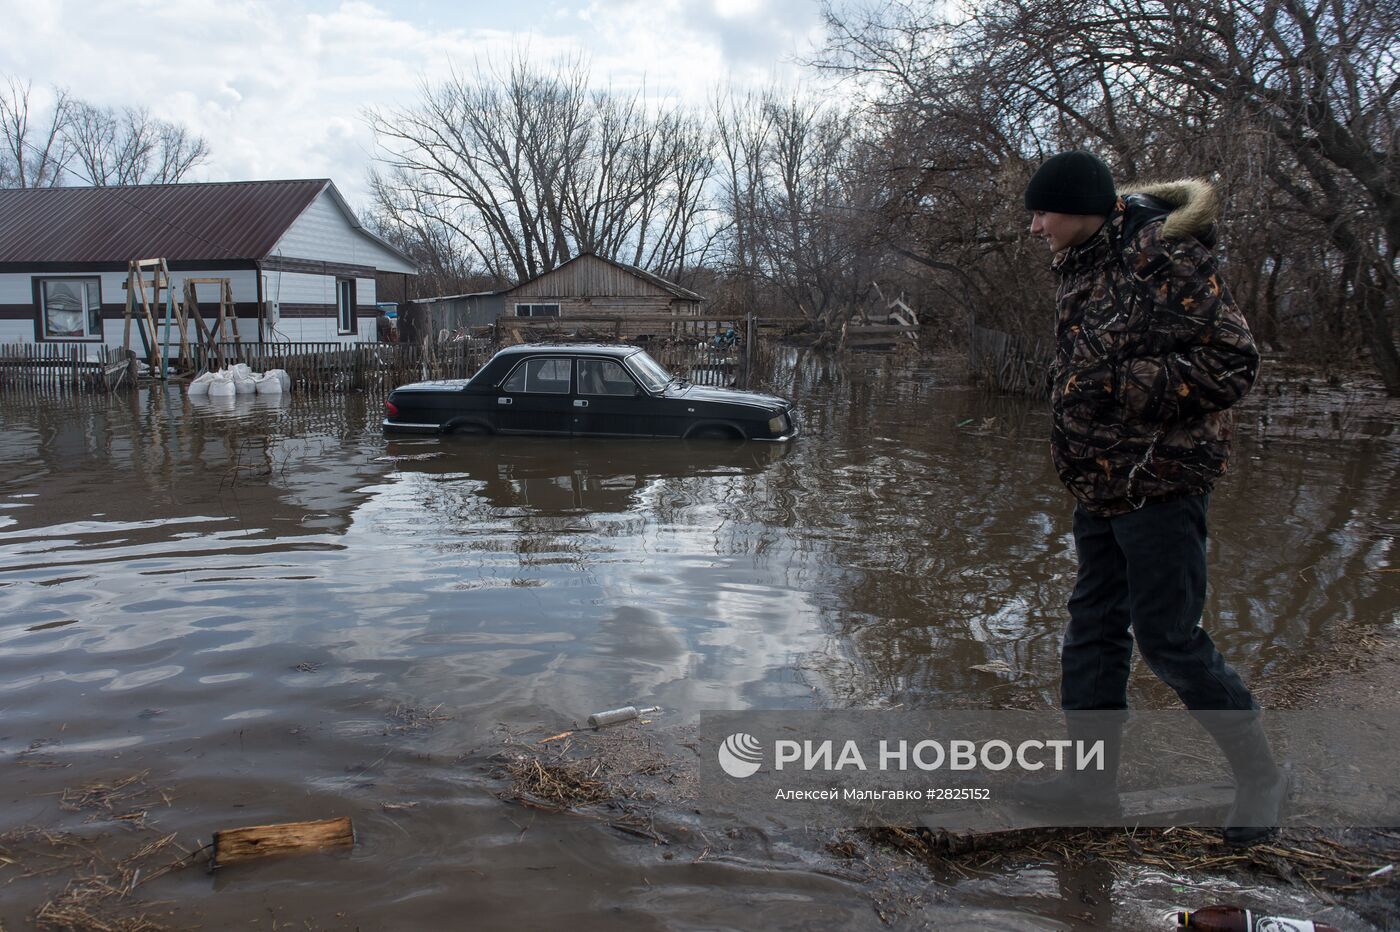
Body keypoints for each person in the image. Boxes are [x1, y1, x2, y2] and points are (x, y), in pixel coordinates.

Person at [1018, 150, 1287, 847]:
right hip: (1099, 482)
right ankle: (1089, 788)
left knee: (1168, 640)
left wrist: (1115, 383)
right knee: (1092, 632)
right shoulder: (1082, 263)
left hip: (1162, 481)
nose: (1036, 225)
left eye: (1043, 211)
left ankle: (1262, 779)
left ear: (1082, 207)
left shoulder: (1165, 257)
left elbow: (1234, 363)